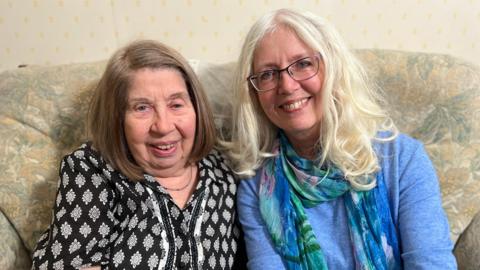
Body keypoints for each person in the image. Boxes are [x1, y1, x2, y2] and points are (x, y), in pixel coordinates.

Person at [224, 8, 457, 269]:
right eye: (268, 74)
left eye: (303, 64)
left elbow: (430, 264)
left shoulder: (403, 160)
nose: (287, 86)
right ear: (254, 93)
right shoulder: (256, 188)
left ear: (333, 68)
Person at [32, 40, 245, 269]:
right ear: (117, 118)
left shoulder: (226, 173)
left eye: (176, 105)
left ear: (196, 108)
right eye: (142, 107)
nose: (163, 126)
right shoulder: (92, 169)